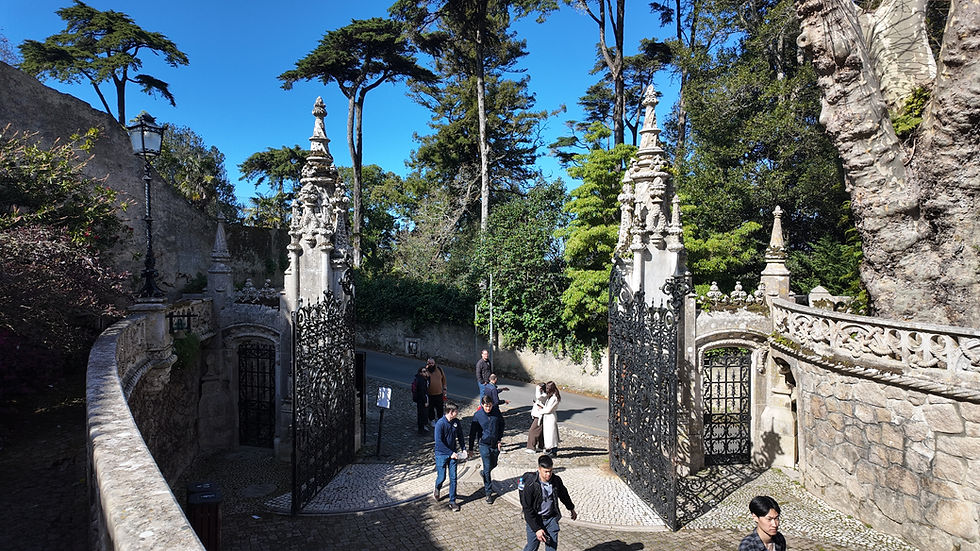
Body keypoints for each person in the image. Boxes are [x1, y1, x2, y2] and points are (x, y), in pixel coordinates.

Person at [518, 454, 576, 551]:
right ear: (539, 469)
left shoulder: (556, 480)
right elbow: (527, 508)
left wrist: (571, 508)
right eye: (546, 472)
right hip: (535, 520)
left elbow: (564, 495)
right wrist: (537, 529)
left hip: (551, 519)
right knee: (532, 548)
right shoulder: (531, 485)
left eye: (550, 471)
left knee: (552, 548)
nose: (548, 474)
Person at [468, 394, 504, 503]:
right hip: (483, 444)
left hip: (494, 444)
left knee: (494, 464)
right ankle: (488, 492)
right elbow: (472, 433)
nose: (488, 408)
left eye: (490, 406)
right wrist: (470, 449)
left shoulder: (496, 413)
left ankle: (483, 473)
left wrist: (499, 439)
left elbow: (502, 425)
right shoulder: (478, 415)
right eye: (486, 406)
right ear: (482, 405)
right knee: (487, 467)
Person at [433, 401, 466, 512]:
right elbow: (438, 442)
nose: (458, 413)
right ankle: (437, 488)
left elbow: (460, 436)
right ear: (451, 412)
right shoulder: (440, 424)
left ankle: (452, 501)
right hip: (441, 454)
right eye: (456, 411)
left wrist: (464, 449)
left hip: (453, 454)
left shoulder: (456, 422)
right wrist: (450, 452)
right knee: (442, 477)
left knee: (453, 478)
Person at [539, 381, 561, 457]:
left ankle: (553, 451)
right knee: (548, 434)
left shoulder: (554, 398)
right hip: (547, 417)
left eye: (548, 388)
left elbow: (549, 409)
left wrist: (540, 411)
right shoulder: (551, 396)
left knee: (552, 435)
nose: (547, 389)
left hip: (550, 417)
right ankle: (549, 449)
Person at [525, 382, 546, 453]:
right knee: (540, 431)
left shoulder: (544, 395)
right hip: (538, 415)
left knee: (533, 430)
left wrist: (537, 389)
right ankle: (541, 446)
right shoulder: (543, 394)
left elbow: (539, 397)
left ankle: (531, 447)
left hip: (540, 415)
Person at [425, 358, 447, 426]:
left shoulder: (439, 369)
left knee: (440, 408)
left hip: (439, 393)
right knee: (430, 408)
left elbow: (444, 379)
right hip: (430, 394)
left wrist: (445, 389)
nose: (431, 365)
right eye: (429, 363)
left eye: (432, 363)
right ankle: (432, 420)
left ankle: (440, 420)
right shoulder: (425, 371)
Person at [412, 365, 430, 435]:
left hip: (423, 398)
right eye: (424, 371)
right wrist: (425, 401)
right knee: (421, 414)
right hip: (421, 399)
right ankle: (421, 429)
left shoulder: (425, 379)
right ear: (420, 373)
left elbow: (428, 385)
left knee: (424, 413)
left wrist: (428, 376)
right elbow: (422, 392)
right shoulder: (421, 380)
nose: (425, 372)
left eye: (426, 371)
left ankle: (423, 426)